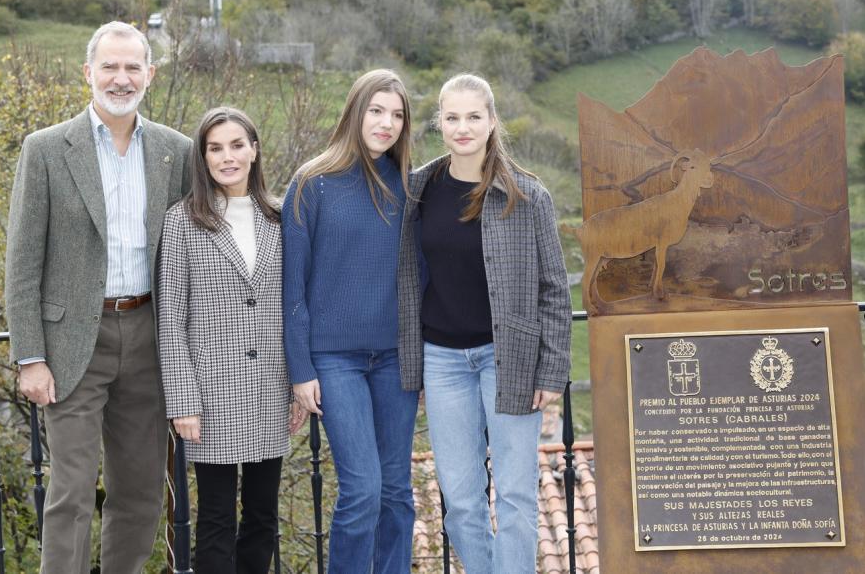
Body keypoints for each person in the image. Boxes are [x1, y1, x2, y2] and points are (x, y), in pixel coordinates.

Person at [4, 21, 191, 573]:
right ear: (88, 72)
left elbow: (189, 253)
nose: (121, 77)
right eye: (109, 66)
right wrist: (30, 355)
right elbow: (22, 261)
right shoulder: (44, 150)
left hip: (149, 339)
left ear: (150, 75)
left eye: (133, 66)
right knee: (71, 494)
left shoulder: (174, 152)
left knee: (140, 494)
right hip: (70, 346)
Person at [397, 73, 572, 573]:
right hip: (442, 362)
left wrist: (551, 370)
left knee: (517, 493)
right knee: (462, 499)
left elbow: (555, 290)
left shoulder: (528, 196)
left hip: (509, 360)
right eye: (452, 117)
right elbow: (406, 282)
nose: (463, 127)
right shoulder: (418, 191)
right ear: (440, 124)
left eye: (474, 116)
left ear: (492, 121)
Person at [157, 107, 305, 573]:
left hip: (270, 390)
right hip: (212, 395)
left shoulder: (282, 218)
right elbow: (171, 320)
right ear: (202, 158)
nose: (227, 157)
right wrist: (183, 400)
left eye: (237, 145)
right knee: (216, 519)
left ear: (254, 150)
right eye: (215, 148)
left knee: (262, 517)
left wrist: (299, 383)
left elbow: (297, 307)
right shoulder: (183, 221)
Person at [283, 69, 419, 573]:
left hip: (396, 359)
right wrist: (300, 372)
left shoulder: (410, 186)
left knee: (396, 491)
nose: (386, 123)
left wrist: (420, 360)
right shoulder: (311, 183)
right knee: (361, 489)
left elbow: (419, 281)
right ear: (355, 112)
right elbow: (291, 288)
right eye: (377, 110)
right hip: (334, 360)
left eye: (397, 115)